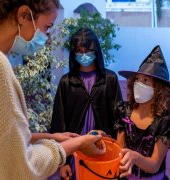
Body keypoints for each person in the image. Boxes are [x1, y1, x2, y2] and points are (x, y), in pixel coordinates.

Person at [0, 1, 105, 179]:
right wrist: (78, 144)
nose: (47, 37)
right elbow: (21, 169)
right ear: (24, 16)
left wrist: (49, 137)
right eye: (47, 27)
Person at [49, 27, 122, 179]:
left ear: (95, 50)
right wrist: (63, 163)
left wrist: (117, 151)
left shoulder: (109, 79)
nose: (83, 55)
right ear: (73, 53)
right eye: (79, 51)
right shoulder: (66, 82)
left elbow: (119, 120)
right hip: (74, 151)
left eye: (87, 50)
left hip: (103, 148)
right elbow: (59, 122)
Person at [114, 45, 170, 179]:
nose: (139, 84)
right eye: (137, 79)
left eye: (146, 81)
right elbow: (119, 150)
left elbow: (154, 165)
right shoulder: (124, 111)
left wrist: (136, 157)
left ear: (158, 89)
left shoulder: (166, 121)